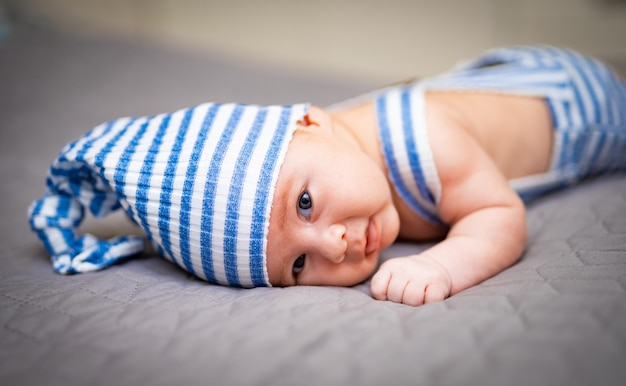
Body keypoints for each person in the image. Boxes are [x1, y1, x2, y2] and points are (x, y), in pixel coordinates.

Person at [29, 46, 626, 306]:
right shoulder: (325, 147)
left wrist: (441, 265)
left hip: (575, 106)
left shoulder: (426, 141)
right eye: (297, 267)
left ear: (314, 120)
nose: (332, 246)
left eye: (306, 205)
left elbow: (499, 214)